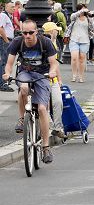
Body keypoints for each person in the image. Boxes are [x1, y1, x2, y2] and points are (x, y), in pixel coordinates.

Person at [2, 20, 59, 163]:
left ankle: (46, 147)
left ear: (36, 32)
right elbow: (9, 64)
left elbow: (54, 63)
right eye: (24, 33)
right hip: (25, 73)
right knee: (24, 87)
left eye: (30, 32)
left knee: (41, 108)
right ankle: (22, 119)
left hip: (42, 75)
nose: (27, 36)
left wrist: (52, 73)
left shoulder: (45, 42)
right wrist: (7, 74)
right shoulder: (17, 42)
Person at [66, 4, 94, 82]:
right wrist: (82, 10)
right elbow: (73, 16)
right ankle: (74, 75)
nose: (85, 10)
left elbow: (92, 28)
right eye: (83, 9)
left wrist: (90, 17)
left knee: (82, 59)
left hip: (85, 40)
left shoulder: (88, 18)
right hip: (74, 39)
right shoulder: (74, 17)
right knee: (74, 57)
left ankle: (81, 76)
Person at [0, 2, 15, 92]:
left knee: (5, 62)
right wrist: (7, 41)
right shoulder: (3, 15)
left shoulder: (7, 16)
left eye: (14, 7)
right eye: (12, 7)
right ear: (6, 7)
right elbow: (1, 28)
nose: (14, 8)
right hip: (4, 40)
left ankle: (4, 82)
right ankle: (3, 84)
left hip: (6, 40)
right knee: (4, 62)